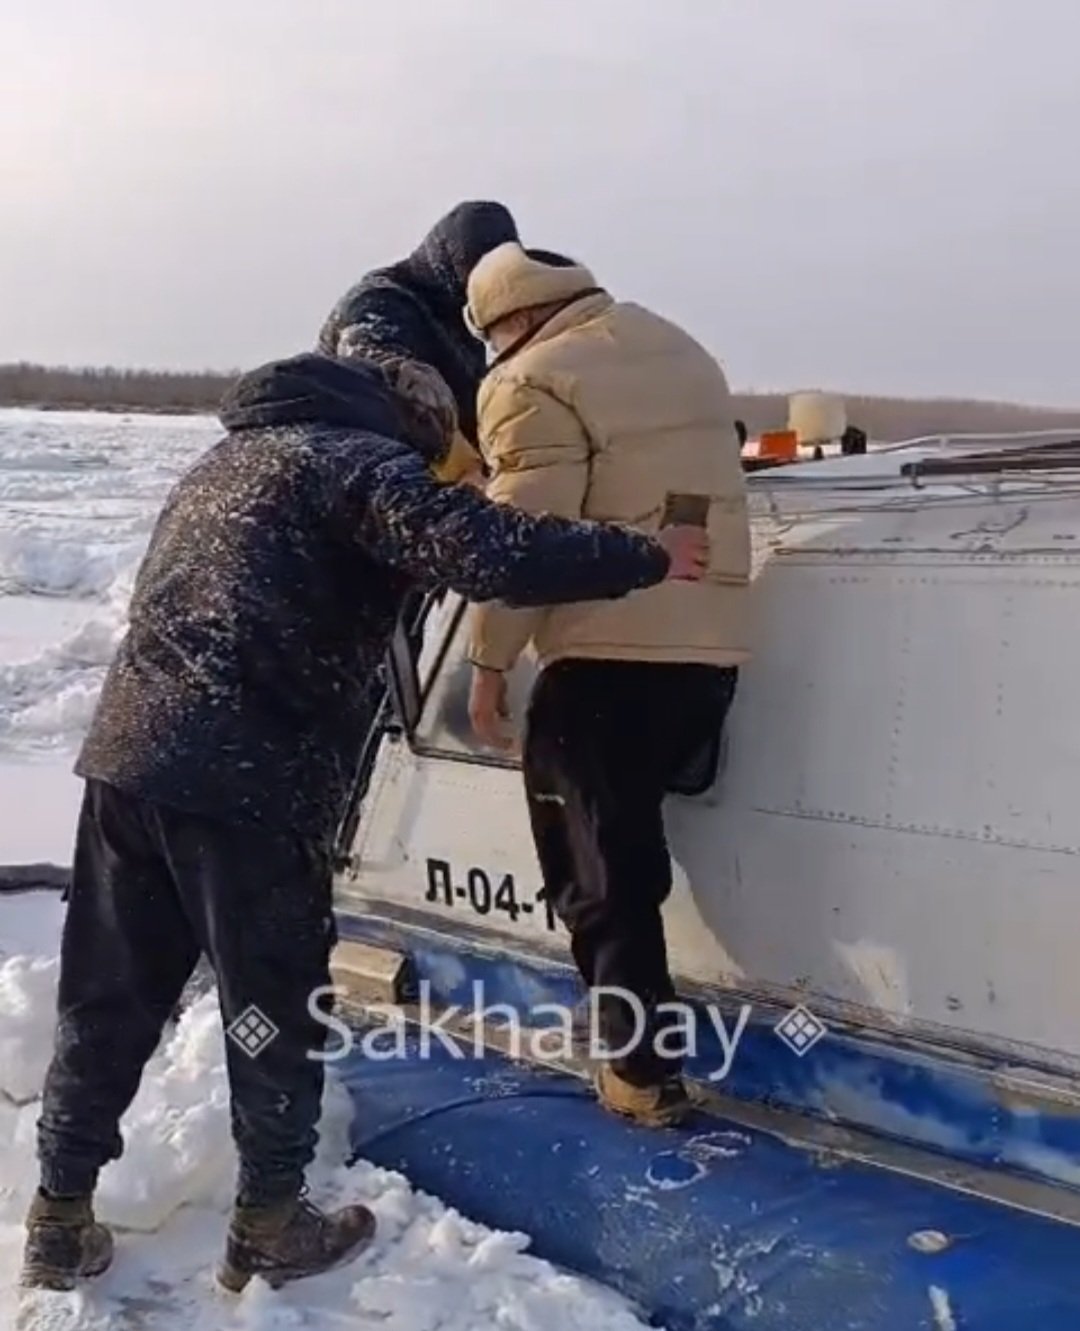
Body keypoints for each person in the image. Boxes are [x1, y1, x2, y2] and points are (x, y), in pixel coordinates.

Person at [20, 351, 710, 1295]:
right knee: (273, 1005)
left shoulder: (225, 464)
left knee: (110, 994)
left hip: (130, 762)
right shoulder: (353, 462)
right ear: (406, 424)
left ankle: (58, 1214)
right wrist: (644, 555)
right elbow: (493, 552)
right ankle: (269, 1221)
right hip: (249, 777)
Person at [463, 244, 752, 1128]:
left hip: (604, 657)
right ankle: (654, 1052)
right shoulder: (675, 346)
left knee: (600, 876)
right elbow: (687, 504)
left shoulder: (530, 380)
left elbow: (526, 537)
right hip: (708, 649)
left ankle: (639, 1074)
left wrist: (487, 664)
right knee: (629, 857)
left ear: (507, 323)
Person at [319, 200, 519, 484]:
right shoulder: (378, 302)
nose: (483, 281)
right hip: (378, 480)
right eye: (475, 268)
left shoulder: (457, 309)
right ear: (448, 258)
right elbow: (382, 381)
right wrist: (461, 465)